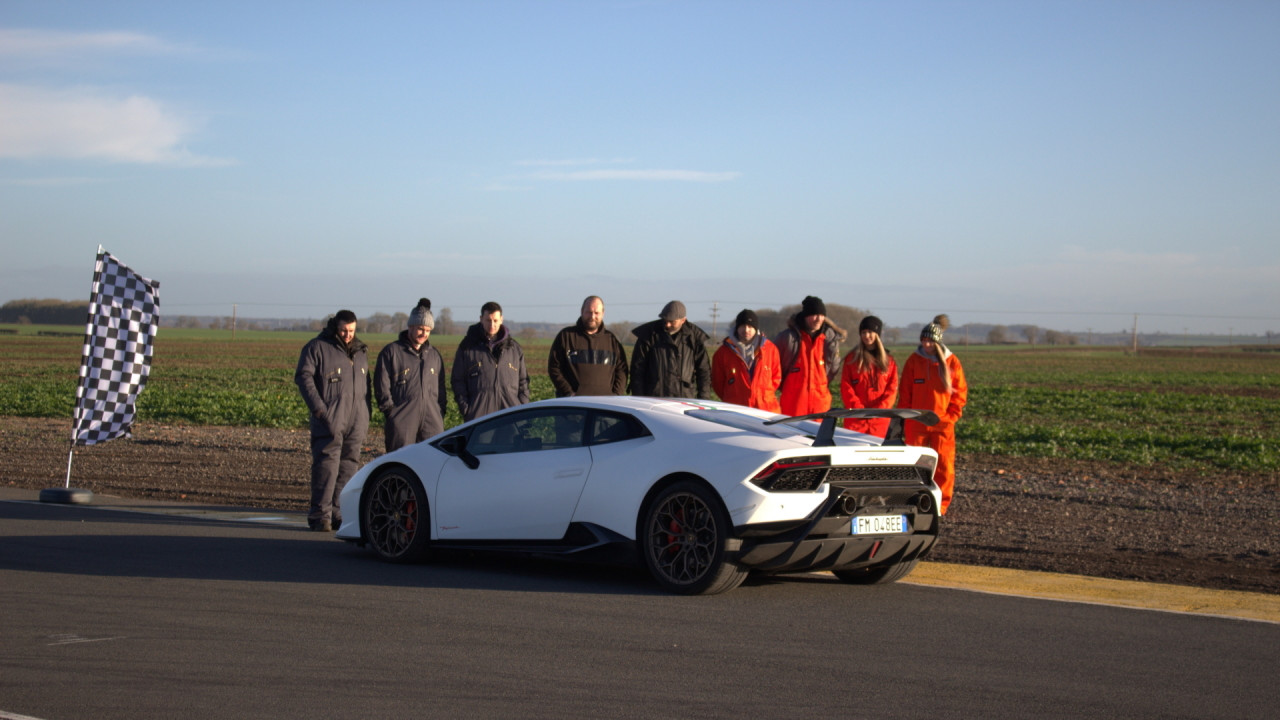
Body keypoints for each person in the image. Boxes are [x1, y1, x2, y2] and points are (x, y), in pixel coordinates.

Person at [295, 309, 371, 532]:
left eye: (352, 331)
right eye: (343, 330)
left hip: (356, 419)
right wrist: (320, 410)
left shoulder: (360, 351)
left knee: (349, 467)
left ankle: (339, 513)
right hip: (330, 418)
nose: (348, 335)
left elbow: (367, 387)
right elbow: (303, 377)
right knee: (326, 467)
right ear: (335, 327)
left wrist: (366, 415)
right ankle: (320, 515)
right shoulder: (317, 347)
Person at [898, 315, 968, 515]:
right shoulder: (914, 361)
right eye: (924, 340)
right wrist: (904, 419)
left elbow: (960, 393)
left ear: (937, 342)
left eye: (930, 340)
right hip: (916, 423)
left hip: (942, 423)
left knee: (944, 465)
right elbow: (906, 392)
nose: (926, 344)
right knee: (915, 464)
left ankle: (941, 505)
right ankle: (914, 502)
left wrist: (950, 418)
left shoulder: (952, 362)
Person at [375, 298, 447, 453]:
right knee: (400, 462)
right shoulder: (392, 352)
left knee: (432, 460)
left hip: (431, 420)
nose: (424, 334)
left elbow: (441, 388)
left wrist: (439, 411)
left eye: (428, 330)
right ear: (410, 326)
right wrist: (391, 413)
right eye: (421, 329)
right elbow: (382, 385)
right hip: (402, 419)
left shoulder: (434, 355)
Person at [451, 301, 530, 422]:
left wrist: (521, 406)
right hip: (479, 418)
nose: (492, 324)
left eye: (495, 320)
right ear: (481, 319)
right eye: (488, 320)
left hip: (510, 417)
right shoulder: (467, 347)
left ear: (501, 320)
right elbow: (458, 380)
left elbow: (523, 381)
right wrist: (467, 409)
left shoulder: (514, 349)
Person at [773, 295, 847, 416]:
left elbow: (832, 369)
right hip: (793, 406)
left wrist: (821, 386)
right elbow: (774, 367)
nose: (818, 319)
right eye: (814, 315)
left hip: (820, 405)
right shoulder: (787, 339)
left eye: (822, 315)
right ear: (805, 316)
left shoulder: (830, 341)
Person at [629, 300, 712, 399]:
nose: (667, 324)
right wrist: (639, 398)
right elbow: (637, 370)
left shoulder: (694, 338)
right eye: (665, 320)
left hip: (684, 399)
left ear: (683, 320)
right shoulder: (648, 335)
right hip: (653, 399)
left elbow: (704, 372)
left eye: (672, 322)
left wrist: (703, 400)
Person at [548, 295, 628, 397]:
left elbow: (622, 370)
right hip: (573, 405)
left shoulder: (612, 341)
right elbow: (554, 368)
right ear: (582, 311)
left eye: (596, 313)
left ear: (603, 313)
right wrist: (568, 392)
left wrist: (616, 394)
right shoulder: (566, 337)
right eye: (589, 312)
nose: (592, 316)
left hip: (605, 406)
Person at [840, 315, 899, 437]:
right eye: (863, 332)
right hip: (856, 421)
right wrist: (859, 410)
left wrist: (878, 411)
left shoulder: (889, 362)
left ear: (877, 334)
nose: (867, 336)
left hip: (881, 422)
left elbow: (892, 389)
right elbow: (846, 387)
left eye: (870, 332)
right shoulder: (851, 360)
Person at [711, 309, 781, 412]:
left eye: (750, 326)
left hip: (766, 410)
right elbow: (718, 383)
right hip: (736, 411)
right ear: (737, 328)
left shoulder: (770, 349)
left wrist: (763, 394)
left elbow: (776, 377)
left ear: (756, 328)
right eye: (742, 326)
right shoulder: (723, 353)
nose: (746, 330)